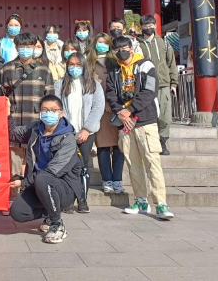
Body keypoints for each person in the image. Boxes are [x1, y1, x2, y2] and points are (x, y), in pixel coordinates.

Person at [106, 36, 174, 220]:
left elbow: (149, 91)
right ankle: (141, 200)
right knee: (133, 164)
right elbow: (111, 94)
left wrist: (129, 111)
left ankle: (161, 203)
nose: (121, 52)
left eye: (124, 48)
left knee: (152, 162)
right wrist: (121, 112)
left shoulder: (145, 65)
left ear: (131, 48)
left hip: (145, 120)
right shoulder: (114, 70)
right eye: (117, 50)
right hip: (125, 123)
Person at [8, 96, 83, 244]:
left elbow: (52, 171)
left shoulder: (68, 139)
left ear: (61, 113)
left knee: (43, 178)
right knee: (17, 212)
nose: (49, 113)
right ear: (40, 112)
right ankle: (50, 213)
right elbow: (12, 134)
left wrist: (23, 183)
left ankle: (57, 224)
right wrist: (7, 113)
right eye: (45, 110)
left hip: (65, 189)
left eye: (53, 110)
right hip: (39, 185)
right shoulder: (35, 129)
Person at [1, 32, 55, 214]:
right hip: (14, 124)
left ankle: (33, 200)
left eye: (29, 46)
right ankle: (13, 199)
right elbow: (1, 98)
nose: (25, 49)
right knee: (14, 164)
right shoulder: (6, 69)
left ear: (34, 47)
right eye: (22, 46)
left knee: (34, 164)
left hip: (36, 125)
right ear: (16, 47)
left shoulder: (44, 71)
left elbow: (50, 100)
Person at [54, 52, 105, 214]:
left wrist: (87, 129)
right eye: (71, 65)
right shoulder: (60, 84)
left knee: (83, 166)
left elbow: (98, 107)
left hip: (86, 133)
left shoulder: (93, 85)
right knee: (66, 166)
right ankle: (68, 200)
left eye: (78, 65)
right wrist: (65, 129)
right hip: (66, 133)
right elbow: (57, 107)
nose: (74, 68)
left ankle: (82, 199)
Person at [89, 33, 125, 194]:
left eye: (105, 42)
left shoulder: (116, 62)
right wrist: (103, 104)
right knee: (103, 146)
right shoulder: (90, 63)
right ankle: (107, 180)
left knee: (119, 147)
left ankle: (117, 180)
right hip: (100, 111)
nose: (102, 45)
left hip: (118, 109)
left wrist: (115, 104)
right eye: (99, 42)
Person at [137, 15, 178, 156]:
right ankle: (150, 141)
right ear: (141, 27)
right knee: (148, 115)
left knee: (165, 115)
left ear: (155, 26)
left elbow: (171, 63)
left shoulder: (164, 43)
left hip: (163, 83)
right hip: (145, 85)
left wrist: (174, 82)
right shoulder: (137, 44)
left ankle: (163, 141)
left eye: (151, 25)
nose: (148, 27)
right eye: (145, 25)